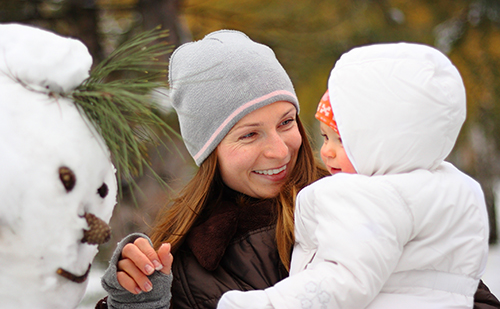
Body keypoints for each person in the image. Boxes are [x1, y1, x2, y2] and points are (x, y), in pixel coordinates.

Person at [96, 32, 500, 309]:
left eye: (287, 122)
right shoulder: (184, 263)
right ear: (209, 151)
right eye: (249, 134)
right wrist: (139, 301)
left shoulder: (375, 199)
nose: (278, 150)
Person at [216, 42, 495, 309]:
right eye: (325, 138)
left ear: (385, 140)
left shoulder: (369, 197)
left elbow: (343, 281)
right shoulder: (456, 188)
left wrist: (266, 304)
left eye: (342, 140)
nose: (327, 152)